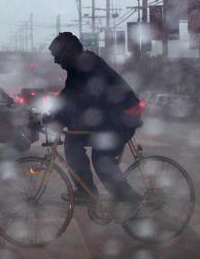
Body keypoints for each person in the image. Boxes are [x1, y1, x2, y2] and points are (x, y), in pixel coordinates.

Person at [46, 32, 144, 223]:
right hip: (110, 118)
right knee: (73, 142)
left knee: (101, 158)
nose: (57, 62)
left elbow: (84, 100)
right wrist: (50, 114)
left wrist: (61, 119)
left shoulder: (87, 65)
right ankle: (87, 192)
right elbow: (68, 96)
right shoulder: (76, 69)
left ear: (68, 52)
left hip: (123, 117)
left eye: (58, 56)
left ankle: (129, 199)